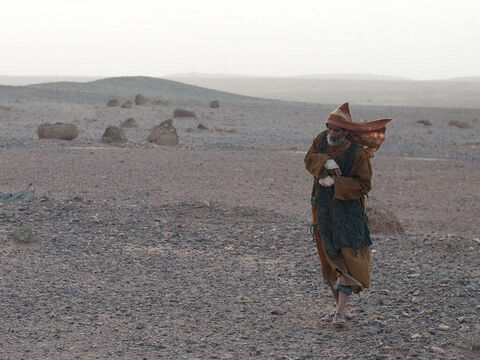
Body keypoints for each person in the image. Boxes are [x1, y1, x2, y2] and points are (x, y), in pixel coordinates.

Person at [304, 102, 391, 327]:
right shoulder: (321, 140)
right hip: (322, 208)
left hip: (348, 213)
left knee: (345, 257)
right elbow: (308, 160)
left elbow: (364, 184)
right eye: (330, 128)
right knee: (329, 258)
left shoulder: (357, 154)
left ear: (346, 132)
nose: (332, 133)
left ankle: (341, 313)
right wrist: (324, 161)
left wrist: (337, 183)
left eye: (337, 130)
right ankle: (338, 309)